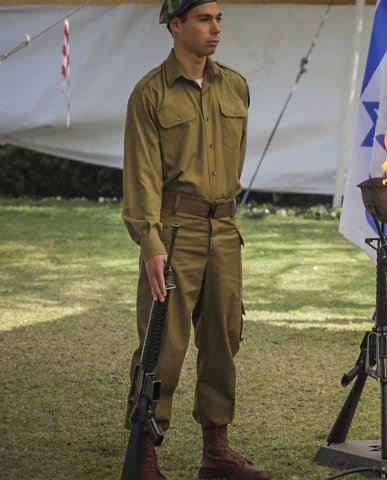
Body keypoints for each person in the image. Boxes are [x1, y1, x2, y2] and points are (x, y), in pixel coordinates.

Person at [122, 1, 271, 478]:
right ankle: (144, 451)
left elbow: (236, 161)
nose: (216, 29)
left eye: (220, 18)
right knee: (162, 342)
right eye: (204, 19)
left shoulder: (235, 86)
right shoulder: (150, 94)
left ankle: (216, 450)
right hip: (174, 229)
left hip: (224, 229)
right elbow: (142, 178)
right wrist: (151, 243)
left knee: (224, 337)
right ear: (176, 24)